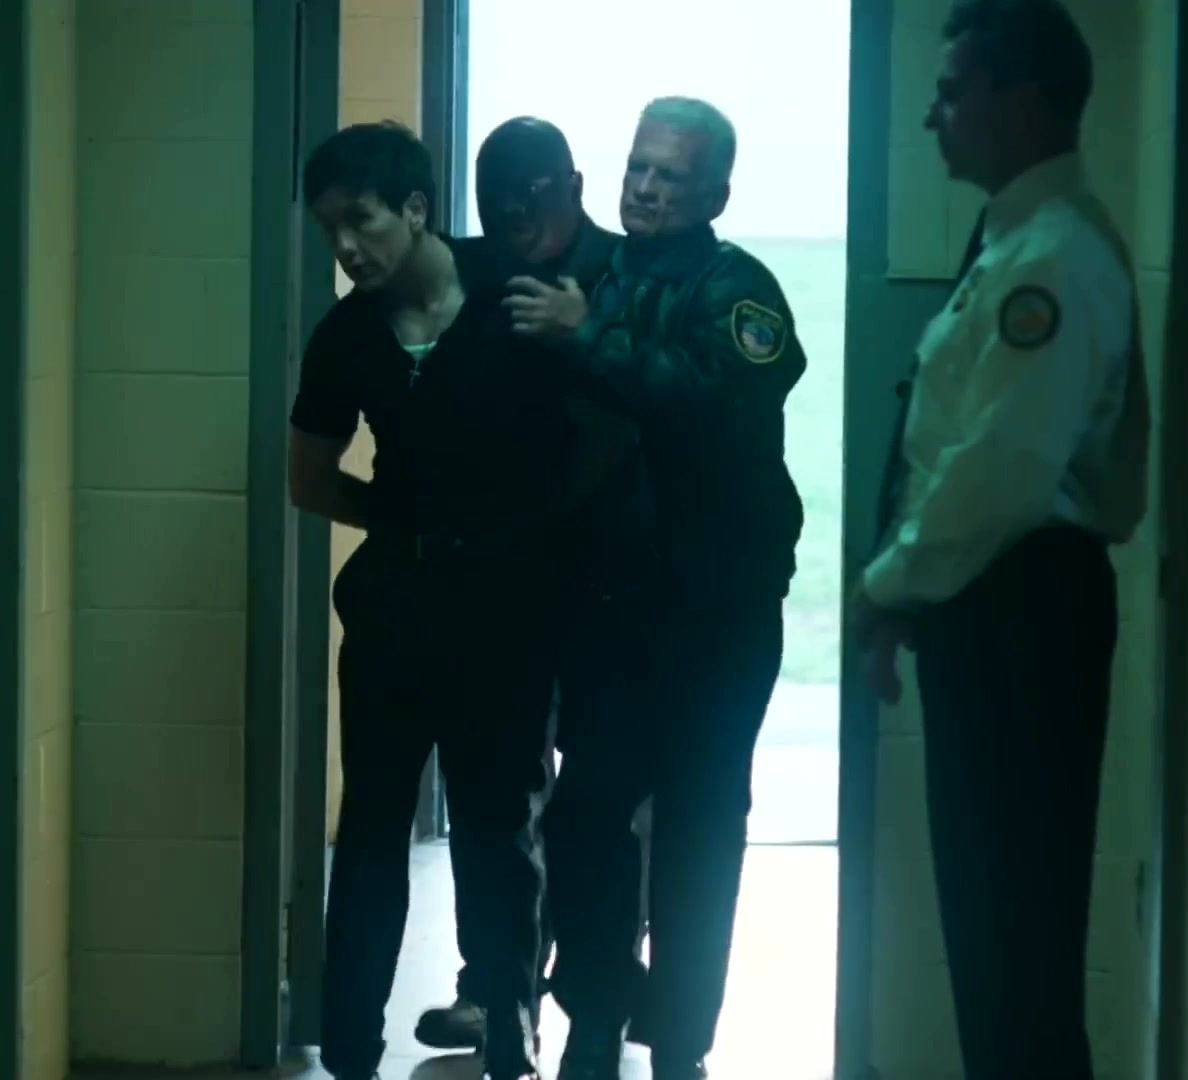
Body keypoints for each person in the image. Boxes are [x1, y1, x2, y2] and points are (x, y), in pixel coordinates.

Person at [850, 3, 1149, 1079]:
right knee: (993, 933)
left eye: (950, 93)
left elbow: (1000, 469)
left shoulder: (1053, 257)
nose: (932, 117)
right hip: (997, 602)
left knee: (1015, 936)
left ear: (1019, 102)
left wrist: (886, 585)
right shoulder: (1019, 240)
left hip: (1024, 607)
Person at [506, 97, 808, 1080]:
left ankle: (679, 1040)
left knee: (700, 827)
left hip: (719, 615)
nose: (644, 188)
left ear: (715, 193)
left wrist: (586, 337)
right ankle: (595, 1015)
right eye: (637, 167)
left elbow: (714, 403)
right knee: (586, 813)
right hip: (610, 612)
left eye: (669, 176)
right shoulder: (596, 275)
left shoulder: (741, 290)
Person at [290, 121, 573, 1080]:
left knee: (499, 830)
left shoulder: (510, 294)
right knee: (372, 829)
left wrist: (523, 529)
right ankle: (350, 1052)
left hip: (507, 606)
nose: (347, 246)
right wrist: (406, 521)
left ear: (415, 208)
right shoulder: (345, 335)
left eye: (361, 221)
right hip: (398, 610)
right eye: (330, 229)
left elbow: (595, 436)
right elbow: (308, 479)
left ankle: (508, 1033)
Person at [413, 116, 655, 1056]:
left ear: (575, 186)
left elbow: (646, 421)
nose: (513, 208)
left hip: (608, 585)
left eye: (534, 189)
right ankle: (496, 993)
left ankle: (599, 1000)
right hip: (501, 588)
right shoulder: (467, 274)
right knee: (493, 803)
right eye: (495, 191)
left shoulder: (627, 274)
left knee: (602, 804)